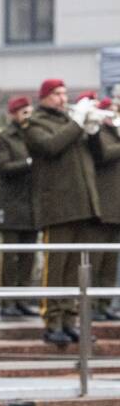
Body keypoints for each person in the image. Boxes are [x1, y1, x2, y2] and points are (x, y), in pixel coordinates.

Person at [24, 79, 102, 345]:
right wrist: (78, 123)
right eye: (56, 93)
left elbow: (99, 157)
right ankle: (52, 320)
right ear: (44, 97)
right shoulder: (35, 123)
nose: (62, 97)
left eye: (64, 93)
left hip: (82, 205)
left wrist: (93, 131)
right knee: (55, 267)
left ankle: (70, 319)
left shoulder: (72, 123)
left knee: (75, 268)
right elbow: (51, 146)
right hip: (56, 207)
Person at [0, 96, 39, 318]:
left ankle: (22, 298)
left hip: (32, 203)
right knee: (11, 257)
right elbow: (3, 167)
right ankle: (7, 301)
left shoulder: (34, 134)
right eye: (22, 111)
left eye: (29, 110)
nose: (26, 114)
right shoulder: (4, 136)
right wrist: (28, 163)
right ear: (13, 113)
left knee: (28, 255)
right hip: (12, 204)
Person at [88, 98, 120, 320]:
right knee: (96, 259)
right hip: (102, 205)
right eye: (110, 110)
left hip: (116, 206)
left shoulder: (114, 132)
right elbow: (103, 155)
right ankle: (91, 304)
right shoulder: (96, 132)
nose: (114, 114)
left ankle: (105, 304)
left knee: (110, 261)